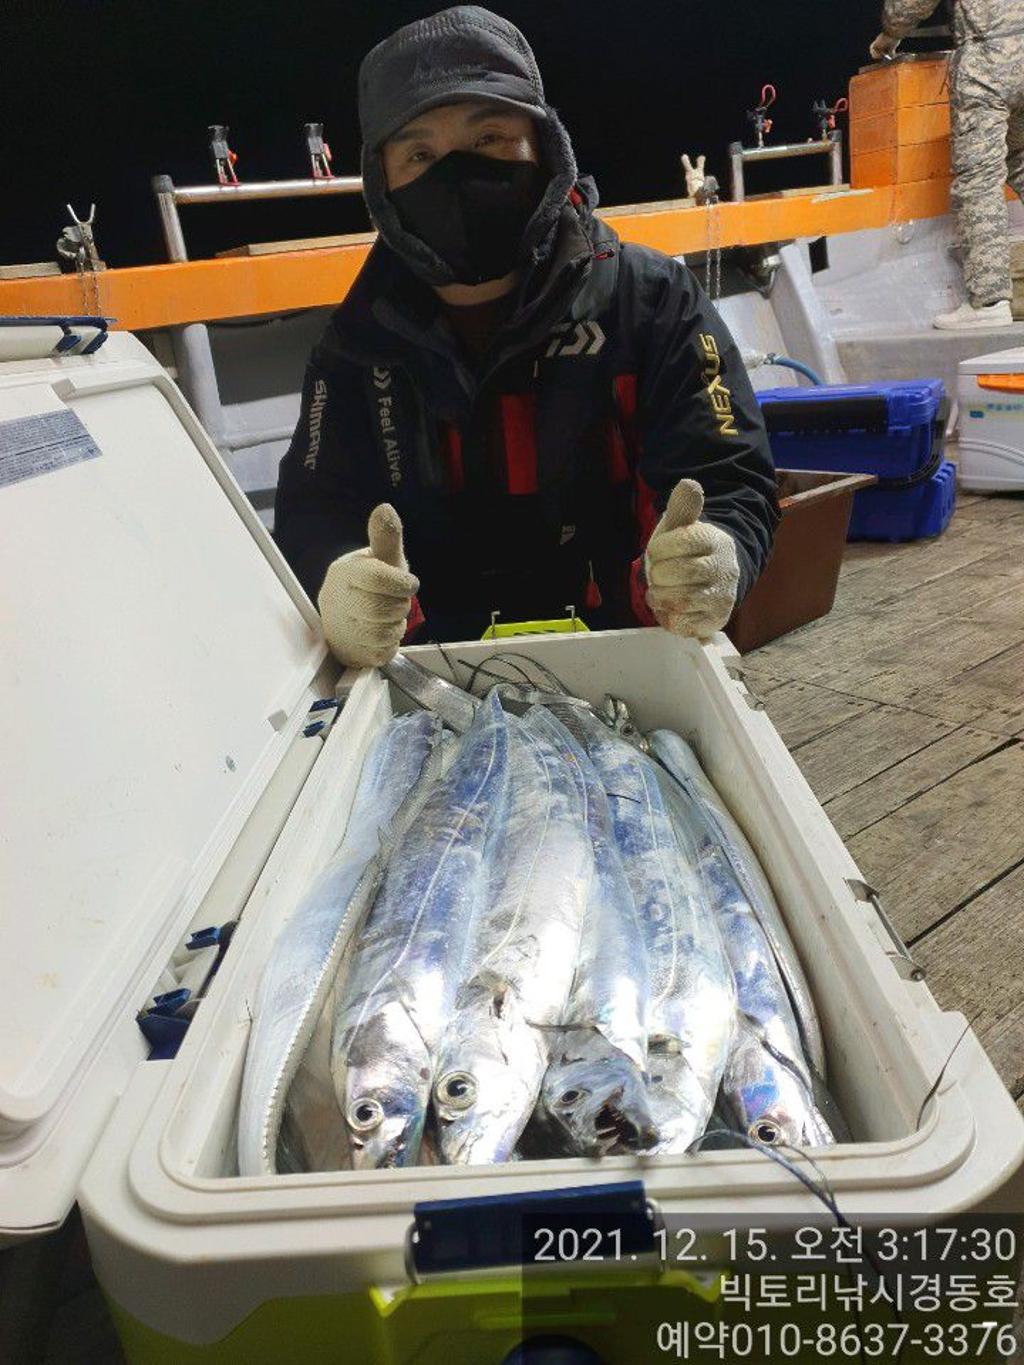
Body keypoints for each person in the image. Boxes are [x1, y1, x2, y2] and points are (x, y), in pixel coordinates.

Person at [275, 6, 778, 667]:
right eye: (420, 154)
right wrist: (336, 580)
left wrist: (715, 553)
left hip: (637, 656)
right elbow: (313, 511)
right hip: (433, 675)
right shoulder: (354, 344)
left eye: (489, 138)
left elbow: (728, 476)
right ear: (382, 183)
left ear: (545, 148)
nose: (455, 174)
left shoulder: (651, 300)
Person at [871, 0, 1024, 331]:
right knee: (1021, 159)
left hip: (990, 60)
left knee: (980, 178)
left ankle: (989, 302)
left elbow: (909, 5)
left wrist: (890, 33)